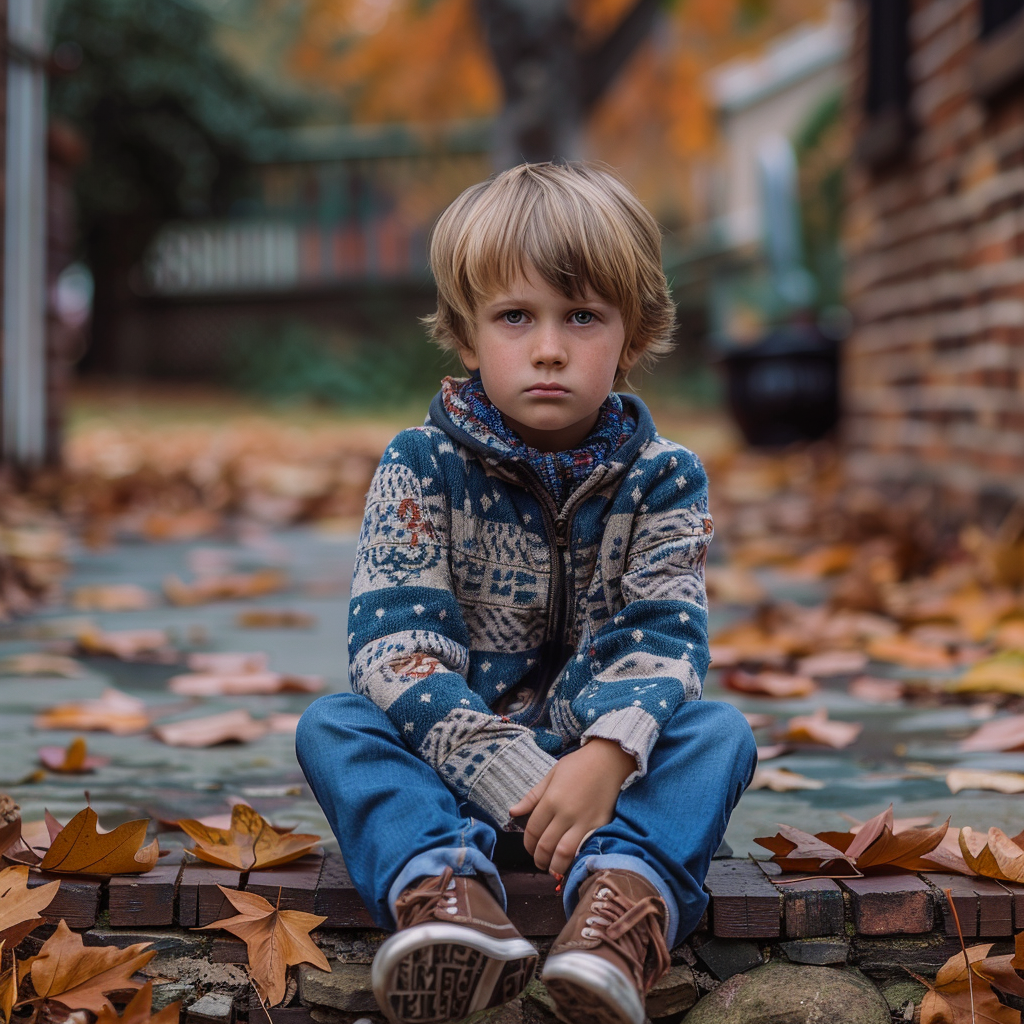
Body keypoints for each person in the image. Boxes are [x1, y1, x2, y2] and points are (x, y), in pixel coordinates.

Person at [296, 161, 756, 1024]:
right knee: (335, 725)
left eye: (582, 316)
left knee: (718, 734)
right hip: (450, 777)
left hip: (603, 800)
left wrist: (608, 758)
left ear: (634, 332)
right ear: (469, 337)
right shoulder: (420, 465)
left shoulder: (664, 479)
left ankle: (618, 916)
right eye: (516, 317)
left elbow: (665, 635)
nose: (549, 347)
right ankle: (444, 899)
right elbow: (393, 645)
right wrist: (504, 767)